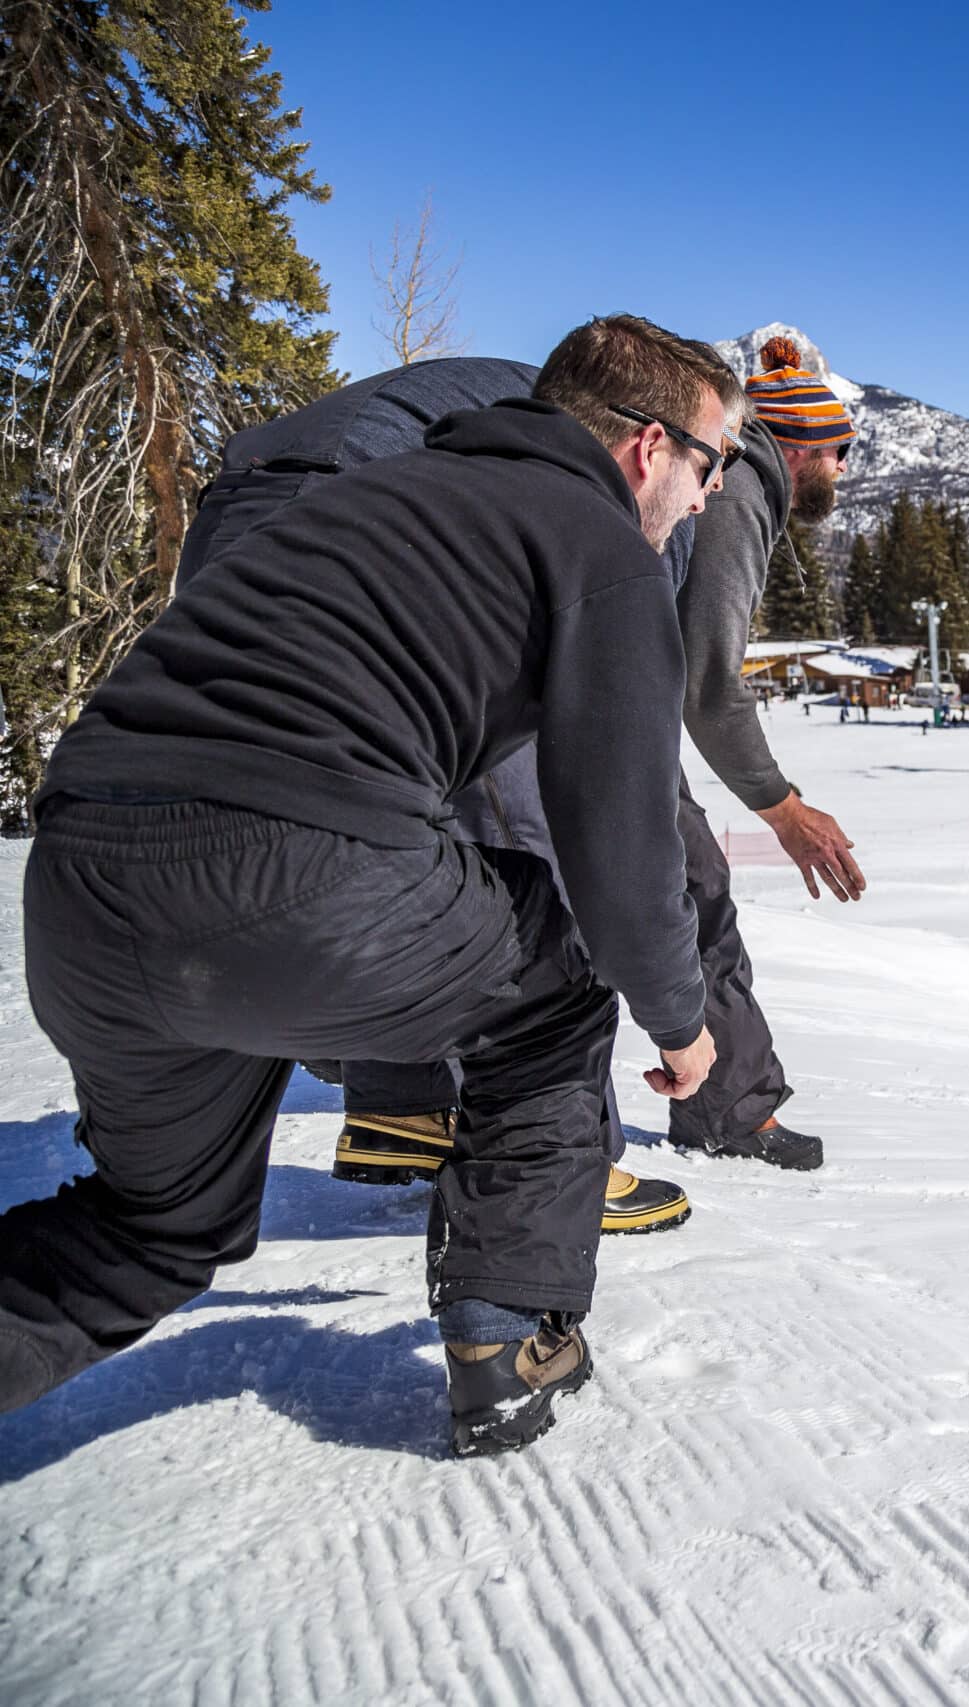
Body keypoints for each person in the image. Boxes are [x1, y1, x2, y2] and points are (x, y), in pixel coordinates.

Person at [4, 314, 730, 1455]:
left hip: (79, 886)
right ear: (648, 448)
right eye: (711, 466)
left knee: (149, 1228)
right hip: (293, 874)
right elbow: (621, 841)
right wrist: (682, 1026)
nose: (704, 501)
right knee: (561, 977)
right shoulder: (600, 547)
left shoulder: (366, 497)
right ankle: (508, 1330)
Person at [334, 335, 867, 1184]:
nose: (844, 470)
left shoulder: (652, 445)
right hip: (576, 657)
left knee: (435, 843)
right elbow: (704, 683)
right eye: (843, 452)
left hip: (401, 573)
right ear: (801, 445)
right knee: (636, 879)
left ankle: (403, 1100)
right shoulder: (736, 482)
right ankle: (607, 1145)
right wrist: (783, 808)